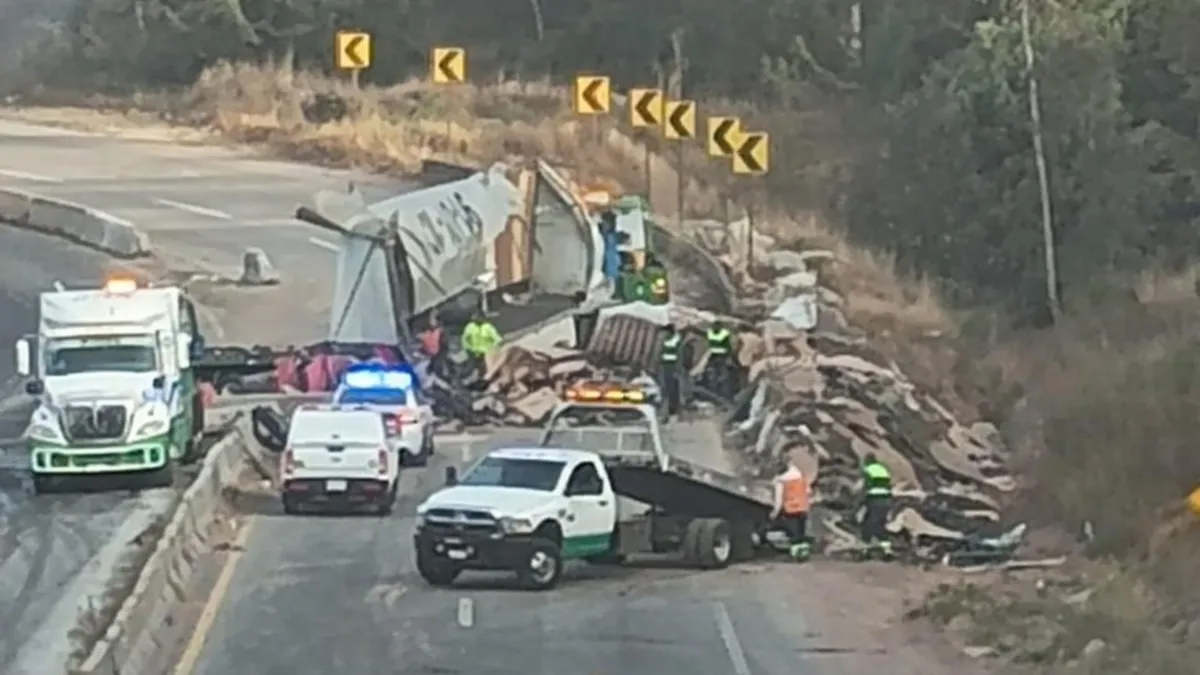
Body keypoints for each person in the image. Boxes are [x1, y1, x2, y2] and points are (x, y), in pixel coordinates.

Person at [770, 458, 811, 561]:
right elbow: (808, 491)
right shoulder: (799, 475)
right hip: (803, 508)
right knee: (801, 534)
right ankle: (804, 555)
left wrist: (775, 513)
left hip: (791, 509)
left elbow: (779, 499)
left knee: (794, 535)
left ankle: (796, 556)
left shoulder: (780, 481)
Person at [859, 453, 894, 556]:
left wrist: (860, 503)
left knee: (867, 525)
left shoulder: (868, 470)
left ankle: (864, 551)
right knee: (880, 525)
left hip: (874, 500)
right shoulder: (883, 470)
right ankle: (887, 551)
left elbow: (865, 486)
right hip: (886, 500)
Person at [461, 310, 502, 377]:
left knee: (491, 368)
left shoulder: (487, 327)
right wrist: (469, 348)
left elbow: (497, 339)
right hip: (476, 353)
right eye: (475, 318)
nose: (476, 320)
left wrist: (493, 349)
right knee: (480, 369)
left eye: (479, 318)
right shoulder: (470, 327)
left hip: (488, 352)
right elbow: (465, 340)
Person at [705, 320, 734, 398]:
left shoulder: (712, 333)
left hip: (719, 357)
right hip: (716, 357)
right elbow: (728, 347)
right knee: (717, 376)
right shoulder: (723, 333)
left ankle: (719, 394)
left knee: (720, 376)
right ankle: (718, 394)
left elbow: (728, 346)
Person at [659, 323, 683, 417]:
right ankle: (668, 408)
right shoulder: (666, 340)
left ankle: (674, 408)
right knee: (666, 388)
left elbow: (679, 354)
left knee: (673, 388)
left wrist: (678, 368)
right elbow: (663, 352)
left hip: (673, 366)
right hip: (666, 366)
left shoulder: (676, 339)